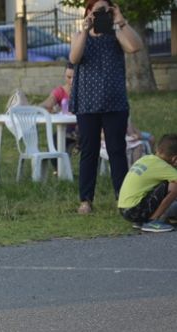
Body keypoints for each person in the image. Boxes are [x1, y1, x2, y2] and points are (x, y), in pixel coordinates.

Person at [69, 0, 142, 215]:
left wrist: (120, 21)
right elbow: (74, 57)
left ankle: (123, 197)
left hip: (115, 103)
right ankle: (85, 200)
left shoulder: (116, 34)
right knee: (88, 152)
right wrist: (85, 30)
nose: (100, 14)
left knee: (117, 150)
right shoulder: (79, 36)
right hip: (87, 104)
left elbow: (135, 47)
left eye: (104, 10)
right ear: (88, 12)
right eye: (96, 10)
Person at [117, 134, 177, 232]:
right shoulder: (163, 167)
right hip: (135, 210)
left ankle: (141, 221)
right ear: (175, 159)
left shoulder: (146, 159)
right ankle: (153, 221)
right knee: (175, 186)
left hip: (125, 209)